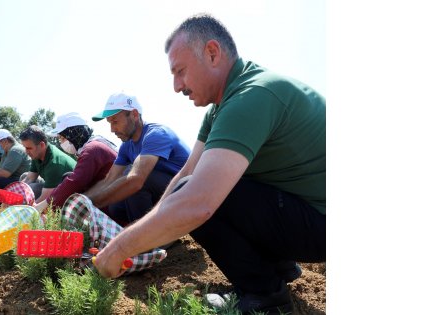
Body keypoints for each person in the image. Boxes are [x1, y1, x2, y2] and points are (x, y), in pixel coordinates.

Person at [93, 14, 326, 315]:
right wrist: (149, 225)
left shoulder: (250, 97)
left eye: (180, 72)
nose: (177, 86)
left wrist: (119, 250)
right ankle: (278, 270)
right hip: (305, 215)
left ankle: (266, 297)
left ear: (212, 53)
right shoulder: (220, 107)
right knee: (192, 188)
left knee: (202, 197)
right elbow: (186, 173)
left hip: (324, 226)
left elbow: (197, 202)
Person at [85, 92, 190, 226]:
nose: (112, 129)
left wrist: (95, 202)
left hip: (188, 190)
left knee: (135, 181)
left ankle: (153, 238)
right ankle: (158, 229)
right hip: (164, 192)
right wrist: (85, 201)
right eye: (109, 123)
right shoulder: (126, 145)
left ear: (134, 114)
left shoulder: (156, 134)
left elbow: (136, 180)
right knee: (116, 206)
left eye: (115, 121)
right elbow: (110, 179)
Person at [34, 112, 118, 214]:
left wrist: (45, 204)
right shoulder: (94, 145)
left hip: (114, 203)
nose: (61, 142)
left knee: (69, 183)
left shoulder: (92, 149)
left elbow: (75, 181)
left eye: (63, 138)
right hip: (108, 194)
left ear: (74, 134)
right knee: (67, 176)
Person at [19, 125, 76, 204]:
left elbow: (45, 198)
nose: (26, 151)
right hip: (53, 186)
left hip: (72, 196)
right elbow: (29, 178)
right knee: (24, 177)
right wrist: (14, 194)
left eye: (29, 148)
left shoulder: (55, 163)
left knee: (31, 189)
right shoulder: (37, 154)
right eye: (25, 147)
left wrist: (27, 210)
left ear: (42, 145)